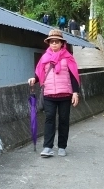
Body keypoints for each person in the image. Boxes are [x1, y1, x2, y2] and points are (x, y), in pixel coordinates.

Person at [28, 29, 81, 157]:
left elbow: (74, 76)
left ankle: (62, 146)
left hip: (65, 94)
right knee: (49, 119)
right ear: (49, 43)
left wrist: (75, 93)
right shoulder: (45, 58)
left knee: (64, 120)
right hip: (49, 94)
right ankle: (48, 147)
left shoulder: (68, 58)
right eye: (52, 42)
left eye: (57, 42)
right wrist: (34, 79)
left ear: (62, 43)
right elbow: (40, 73)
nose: (54, 44)